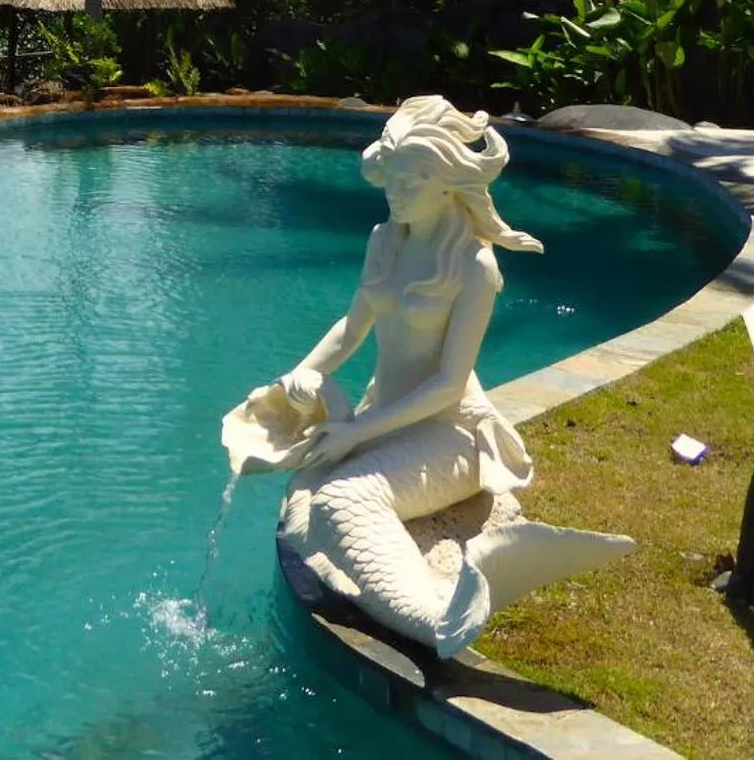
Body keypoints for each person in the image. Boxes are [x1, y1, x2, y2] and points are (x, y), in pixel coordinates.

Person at [222, 96, 632, 656]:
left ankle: (447, 614)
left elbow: (446, 383)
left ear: (447, 182)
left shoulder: (474, 267)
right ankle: (429, 599)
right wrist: (304, 372)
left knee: (345, 499)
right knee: (304, 499)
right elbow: (354, 324)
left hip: (452, 434)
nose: (397, 190)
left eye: (413, 179)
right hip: (386, 416)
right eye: (394, 176)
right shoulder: (385, 240)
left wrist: (356, 434)